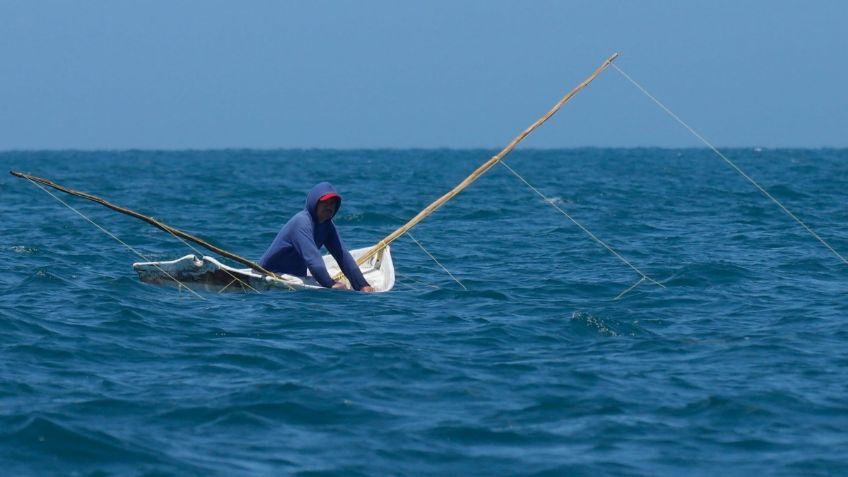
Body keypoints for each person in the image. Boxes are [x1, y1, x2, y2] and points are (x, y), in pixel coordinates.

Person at [259, 182, 374, 292]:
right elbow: (313, 260)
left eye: (333, 203)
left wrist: (362, 285)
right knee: (340, 287)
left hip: (296, 277)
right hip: (269, 273)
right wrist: (330, 284)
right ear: (314, 203)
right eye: (325, 203)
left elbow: (343, 256)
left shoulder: (327, 226)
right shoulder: (301, 222)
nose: (329, 207)